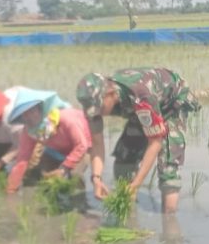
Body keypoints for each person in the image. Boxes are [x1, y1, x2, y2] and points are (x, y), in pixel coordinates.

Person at [77, 67, 201, 213]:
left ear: (110, 94)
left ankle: (169, 219)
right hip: (141, 110)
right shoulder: (94, 106)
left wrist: (136, 184)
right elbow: (97, 144)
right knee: (124, 157)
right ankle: (128, 209)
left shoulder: (140, 94)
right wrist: (96, 179)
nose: (98, 113)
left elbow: (155, 142)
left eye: (100, 107)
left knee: (168, 168)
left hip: (170, 104)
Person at [4, 88, 93, 195]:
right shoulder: (28, 131)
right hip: (57, 150)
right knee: (39, 172)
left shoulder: (66, 118)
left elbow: (81, 145)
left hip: (85, 148)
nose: (29, 117)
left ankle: (80, 200)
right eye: (25, 114)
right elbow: (22, 160)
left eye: (31, 111)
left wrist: (63, 169)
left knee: (75, 175)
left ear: (40, 109)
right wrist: (11, 188)